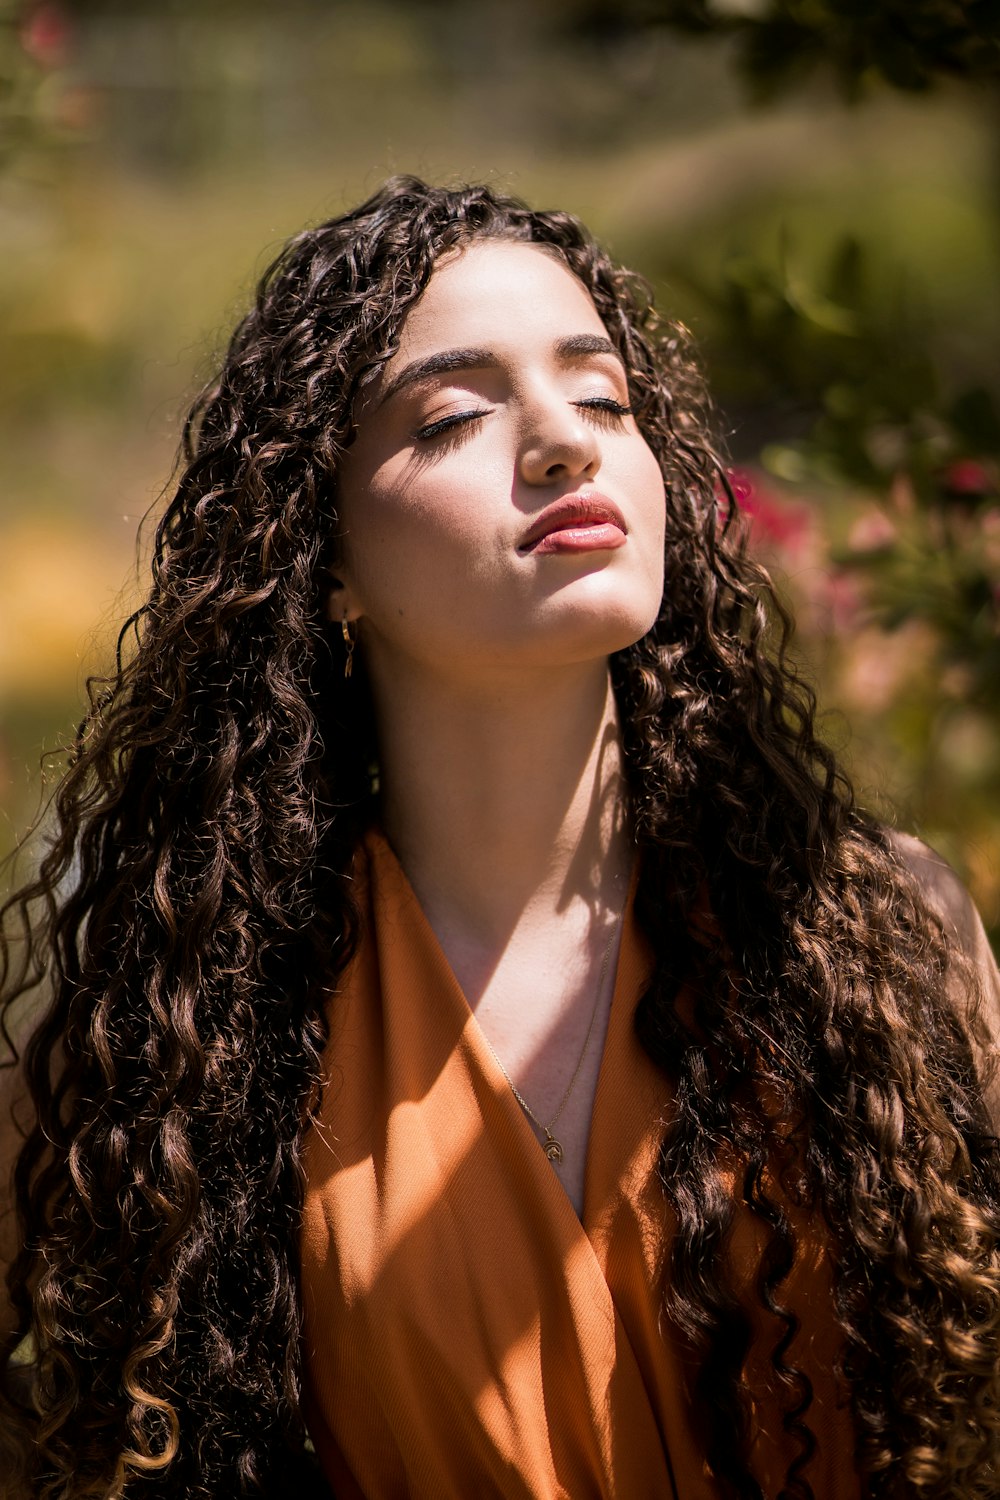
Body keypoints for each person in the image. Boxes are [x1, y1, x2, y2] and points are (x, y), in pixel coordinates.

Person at [2, 177, 999, 1500]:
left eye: (604, 400)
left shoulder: (868, 936)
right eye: (458, 415)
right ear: (325, 559)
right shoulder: (182, 1023)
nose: (564, 442)